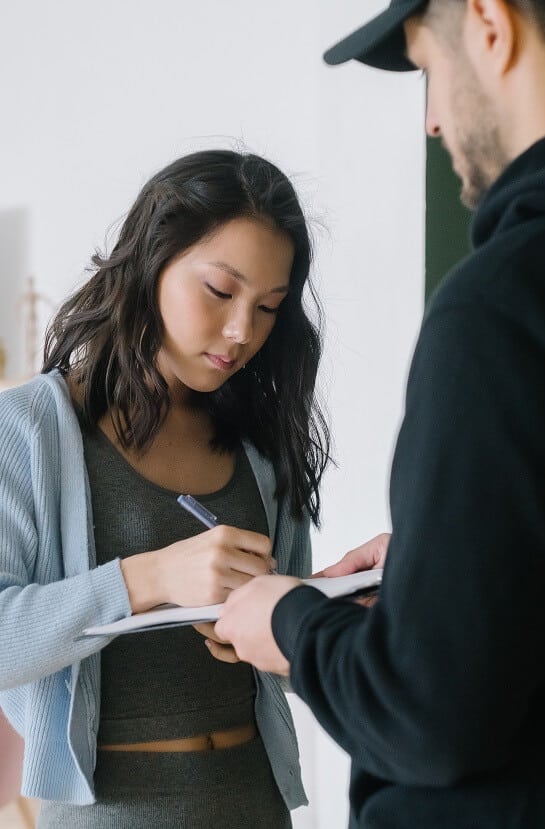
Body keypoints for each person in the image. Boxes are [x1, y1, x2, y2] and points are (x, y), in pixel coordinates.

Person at [215, 1, 545, 827]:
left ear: (492, 25)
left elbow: (432, 714)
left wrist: (294, 620)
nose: (430, 120)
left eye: (428, 68)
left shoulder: (508, 304)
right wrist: (446, 564)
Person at [0, 149, 331, 828]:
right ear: (153, 258)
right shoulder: (29, 427)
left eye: (269, 307)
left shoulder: (260, 444)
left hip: (252, 802)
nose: (242, 331)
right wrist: (148, 577)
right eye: (219, 291)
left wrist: (328, 609)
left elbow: (288, 660)